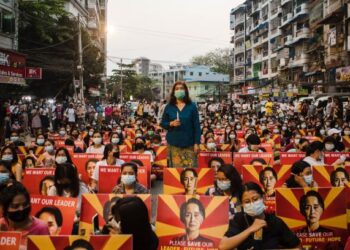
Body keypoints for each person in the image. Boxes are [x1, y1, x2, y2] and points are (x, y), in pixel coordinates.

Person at [219, 182, 300, 250]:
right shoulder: (239, 219)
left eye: (255, 199)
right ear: (242, 205)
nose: (252, 204)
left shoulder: (275, 222)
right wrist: (250, 229)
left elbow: (297, 246)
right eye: (247, 202)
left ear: (263, 198)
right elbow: (223, 246)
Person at [161, 81, 201, 168]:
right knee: (176, 173)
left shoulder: (192, 106)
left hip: (189, 144)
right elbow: (163, 123)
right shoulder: (169, 107)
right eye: (177, 89)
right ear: (173, 92)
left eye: (182, 88)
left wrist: (197, 143)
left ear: (186, 91)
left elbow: (197, 126)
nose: (179, 90)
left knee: (190, 172)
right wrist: (171, 123)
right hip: (174, 144)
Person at [0, 183, 49, 248]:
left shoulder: (41, 227)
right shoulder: (1, 224)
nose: (21, 209)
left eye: (25, 204)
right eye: (15, 206)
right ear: (5, 208)